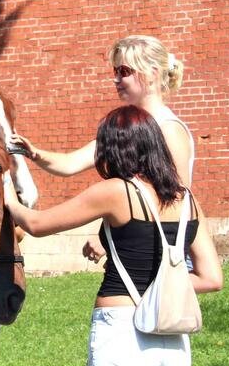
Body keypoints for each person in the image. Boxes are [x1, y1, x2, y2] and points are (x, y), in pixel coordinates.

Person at [6, 105, 223, 366]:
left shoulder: (117, 191)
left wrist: (9, 198)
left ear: (114, 149)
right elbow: (212, 279)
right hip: (172, 335)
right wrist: (162, 287)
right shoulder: (188, 201)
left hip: (121, 327)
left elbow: (36, 225)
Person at [11, 35, 194, 263]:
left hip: (166, 253)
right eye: (115, 72)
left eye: (124, 71)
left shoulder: (169, 129)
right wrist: (34, 153)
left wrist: (108, 238)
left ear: (153, 73)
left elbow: (178, 199)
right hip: (138, 250)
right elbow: (70, 164)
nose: (116, 80)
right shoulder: (127, 129)